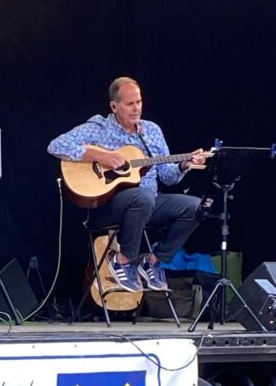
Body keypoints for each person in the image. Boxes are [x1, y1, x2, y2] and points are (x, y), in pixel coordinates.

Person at [47, 76, 207, 292]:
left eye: (139, 102)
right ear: (114, 106)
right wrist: (100, 156)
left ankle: (153, 261)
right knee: (143, 197)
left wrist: (184, 165)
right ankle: (122, 260)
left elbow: (167, 177)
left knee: (198, 207)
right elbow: (56, 145)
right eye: (130, 104)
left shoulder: (151, 131)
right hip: (108, 207)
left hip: (149, 203)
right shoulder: (99, 128)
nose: (136, 108)